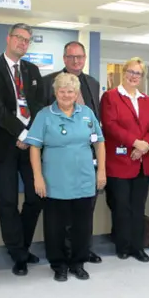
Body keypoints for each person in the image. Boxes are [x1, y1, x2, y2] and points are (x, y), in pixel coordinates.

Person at [26, 72, 106, 281]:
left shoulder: (87, 113)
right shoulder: (45, 115)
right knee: (55, 227)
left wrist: (102, 171)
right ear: (55, 92)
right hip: (55, 181)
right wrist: (38, 177)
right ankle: (59, 264)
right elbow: (34, 147)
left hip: (84, 179)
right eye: (62, 91)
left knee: (82, 225)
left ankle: (78, 263)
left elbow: (99, 143)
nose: (66, 95)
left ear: (77, 93)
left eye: (70, 91)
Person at [0, 23, 44, 277]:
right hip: (6, 144)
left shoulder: (32, 70)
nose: (22, 43)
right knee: (7, 201)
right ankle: (17, 253)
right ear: (8, 38)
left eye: (27, 40)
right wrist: (20, 133)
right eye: (19, 38)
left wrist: (30, 136)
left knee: (35, 196)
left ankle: (23, 245)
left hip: (30, 146)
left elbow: (39, 105)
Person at [41, 41, 103, 264]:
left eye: (80, 57)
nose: (76, 61)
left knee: (85, 209)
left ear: (85, 58)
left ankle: (83, 249)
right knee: (63, 211)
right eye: (71, 57)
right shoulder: (50, 82)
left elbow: (96, 121)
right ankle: (64, 252)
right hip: (59, 159)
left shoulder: (92, 83)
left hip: (87, 157)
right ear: (64, 58)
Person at [100, 57, 149, 262]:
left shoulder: (146, 99)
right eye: (131, 72)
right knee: (121, 207)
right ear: (124, 72)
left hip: (142, 162)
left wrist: (143, 147)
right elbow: (110, 125)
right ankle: (123, 245)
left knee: (138, 207)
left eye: (138, 73)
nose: (134, 76)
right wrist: (135, 143)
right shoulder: (110, 97)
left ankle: (137, 246)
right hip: (120, 162)